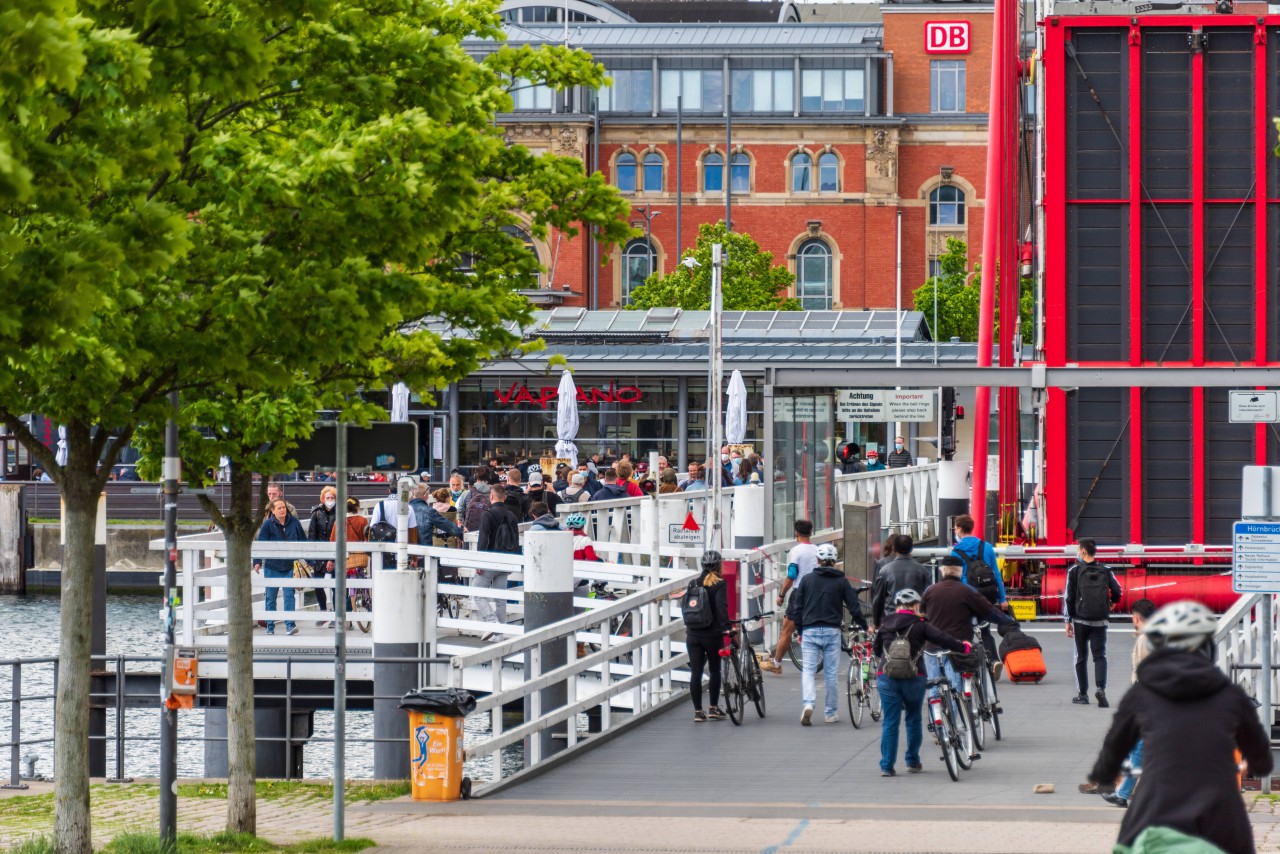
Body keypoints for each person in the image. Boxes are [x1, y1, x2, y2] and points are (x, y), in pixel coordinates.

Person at [1088, 601, 1273, 853]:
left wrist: (1105, 773)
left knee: (1128, 846)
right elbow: (1262, 759)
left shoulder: (1141, 695)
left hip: (1153, 809)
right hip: (1220, 814)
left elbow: (1112, 751)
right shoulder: (1232, 697)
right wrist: (1258, 765)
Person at [874, 589, 972, 776]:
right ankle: (912, 761)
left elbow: (878, 650)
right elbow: (943, 639)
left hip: (887, 676)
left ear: (897, 606)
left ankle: (887, 766)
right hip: (914, 676)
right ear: (916, 606)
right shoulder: (921, 625)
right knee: (913, 718)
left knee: (890, 722)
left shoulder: (885, 624)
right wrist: (964, 647)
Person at [788, 542, 868, 725]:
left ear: (818, 560)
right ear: (834, 561)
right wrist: (864, 625)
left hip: (809, 629)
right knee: (830, 674)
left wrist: (800, 629)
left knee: (808, 671)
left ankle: (808, 704)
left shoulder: (807, 580)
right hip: (832, 630)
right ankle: (830, 713)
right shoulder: (841, 581)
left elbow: (798, 608)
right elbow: (854, 607)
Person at [922, 556, 1015, 697]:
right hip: (958, 645)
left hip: (932, 646)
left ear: (942, 571)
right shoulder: (967, 590)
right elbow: (989, 611)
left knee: (933, 688)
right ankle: (956, 717)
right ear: (960, 572)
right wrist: (1008, 620)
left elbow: (920, 615)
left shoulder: (930, 590)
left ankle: (935, 715)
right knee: (954, 687)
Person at [1098, 598, 1158, 808]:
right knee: (1136, 746)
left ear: (1135, 617)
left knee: (1139, 747)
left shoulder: (1146, 640)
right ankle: (1123, 793)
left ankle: (1125, 794)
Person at [1065, 538, 1122, 707]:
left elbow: (1069, 598)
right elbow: (1118, 590)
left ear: (1082, 551)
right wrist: (1113, 602)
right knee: (1099, 656)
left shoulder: (1074, 571)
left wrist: (1068, 620)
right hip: (1100, 619)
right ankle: (1101, 689)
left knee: (1081, 657)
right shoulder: (1105, 570)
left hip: (1081, 620)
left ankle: (1083, 695)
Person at [763, 519, 819, 674]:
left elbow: (792, 575)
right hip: (816, 593)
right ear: (811, 532)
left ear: (796, 533)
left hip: (800, 592)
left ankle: (776, 663)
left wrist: (781, 594)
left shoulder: (796, 551)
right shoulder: (817, 549)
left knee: (786, 630)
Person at [952, 514, 1009, 664]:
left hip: (967, 596)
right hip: (988, 595)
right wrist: (1002, 599)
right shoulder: (987, 547)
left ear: (959, 529)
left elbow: (956, 578)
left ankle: (969, 663)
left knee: (966, 631)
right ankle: (993, 660)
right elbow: (997, 574)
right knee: (985, 630)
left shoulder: (955, 552)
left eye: (955, 529)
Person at [686, 551, 731, 723]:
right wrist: (727, 628)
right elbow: (722, 609)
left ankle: (698, 712)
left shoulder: (693, 583)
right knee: (714, 670)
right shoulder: (720, 584)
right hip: (712, 636)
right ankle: (713, 708)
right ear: (720, 565)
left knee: (695, 673)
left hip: (693, 634)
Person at [254, 498, 307, 636]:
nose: (283, 510)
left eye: (284, 507)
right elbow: (261, 543)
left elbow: (303, 541)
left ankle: (290, 625)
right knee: (270, 598)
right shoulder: (267, 524)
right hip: (272, 566)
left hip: (289, 565)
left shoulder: (294, 522)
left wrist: (311, 560)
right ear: (272, 510)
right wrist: (257, 561)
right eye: (279, 508)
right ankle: (270, 626)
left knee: (289, 596)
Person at [475, 484, 521, 639]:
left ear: (491, 497)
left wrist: (479, 562)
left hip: (490, 560)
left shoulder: (487, 515)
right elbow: (516, 539)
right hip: (506, 561)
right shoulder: (512, 516)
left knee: (477, 592)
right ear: (505, 497)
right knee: (500, 599)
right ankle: (499, 634)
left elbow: (483, 540)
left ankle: (492, 621)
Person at [870, 534, 932, 627]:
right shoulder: (922, 570)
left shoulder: (885, 571)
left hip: (891, 619)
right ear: (911, 549)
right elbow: (928, 598)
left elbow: (878, 599)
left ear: (894, 548)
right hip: (915, 620)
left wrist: (877, 622)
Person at [306, 486, 339, 624]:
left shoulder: (339, 513)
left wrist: (332, 558)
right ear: (323, 499)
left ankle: (336, 616)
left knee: (335, 585)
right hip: (319, 552)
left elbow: (339, 536)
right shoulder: (316, 513)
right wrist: (311, 555)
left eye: (332, 498)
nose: (330, 500)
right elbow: (312, 535)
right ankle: (323, 611)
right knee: (318, 583)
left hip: (335, 552)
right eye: (327, 498)